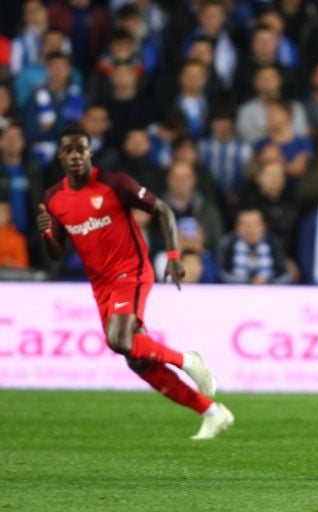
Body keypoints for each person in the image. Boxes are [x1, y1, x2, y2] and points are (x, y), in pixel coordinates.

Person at [38, 123, 234, 440]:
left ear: (90, 152)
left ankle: (188, 360)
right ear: (60, 156)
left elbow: (162, 210)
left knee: (118, 340)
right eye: (68, 150)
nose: (75, 156)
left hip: (131, 270)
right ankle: (212, 412)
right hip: (100, 284)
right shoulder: (54, 198)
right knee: (138, 362)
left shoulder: (115, 183)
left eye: (80, 149)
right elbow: (56, 253)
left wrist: (173, 255)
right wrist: (47, 232)